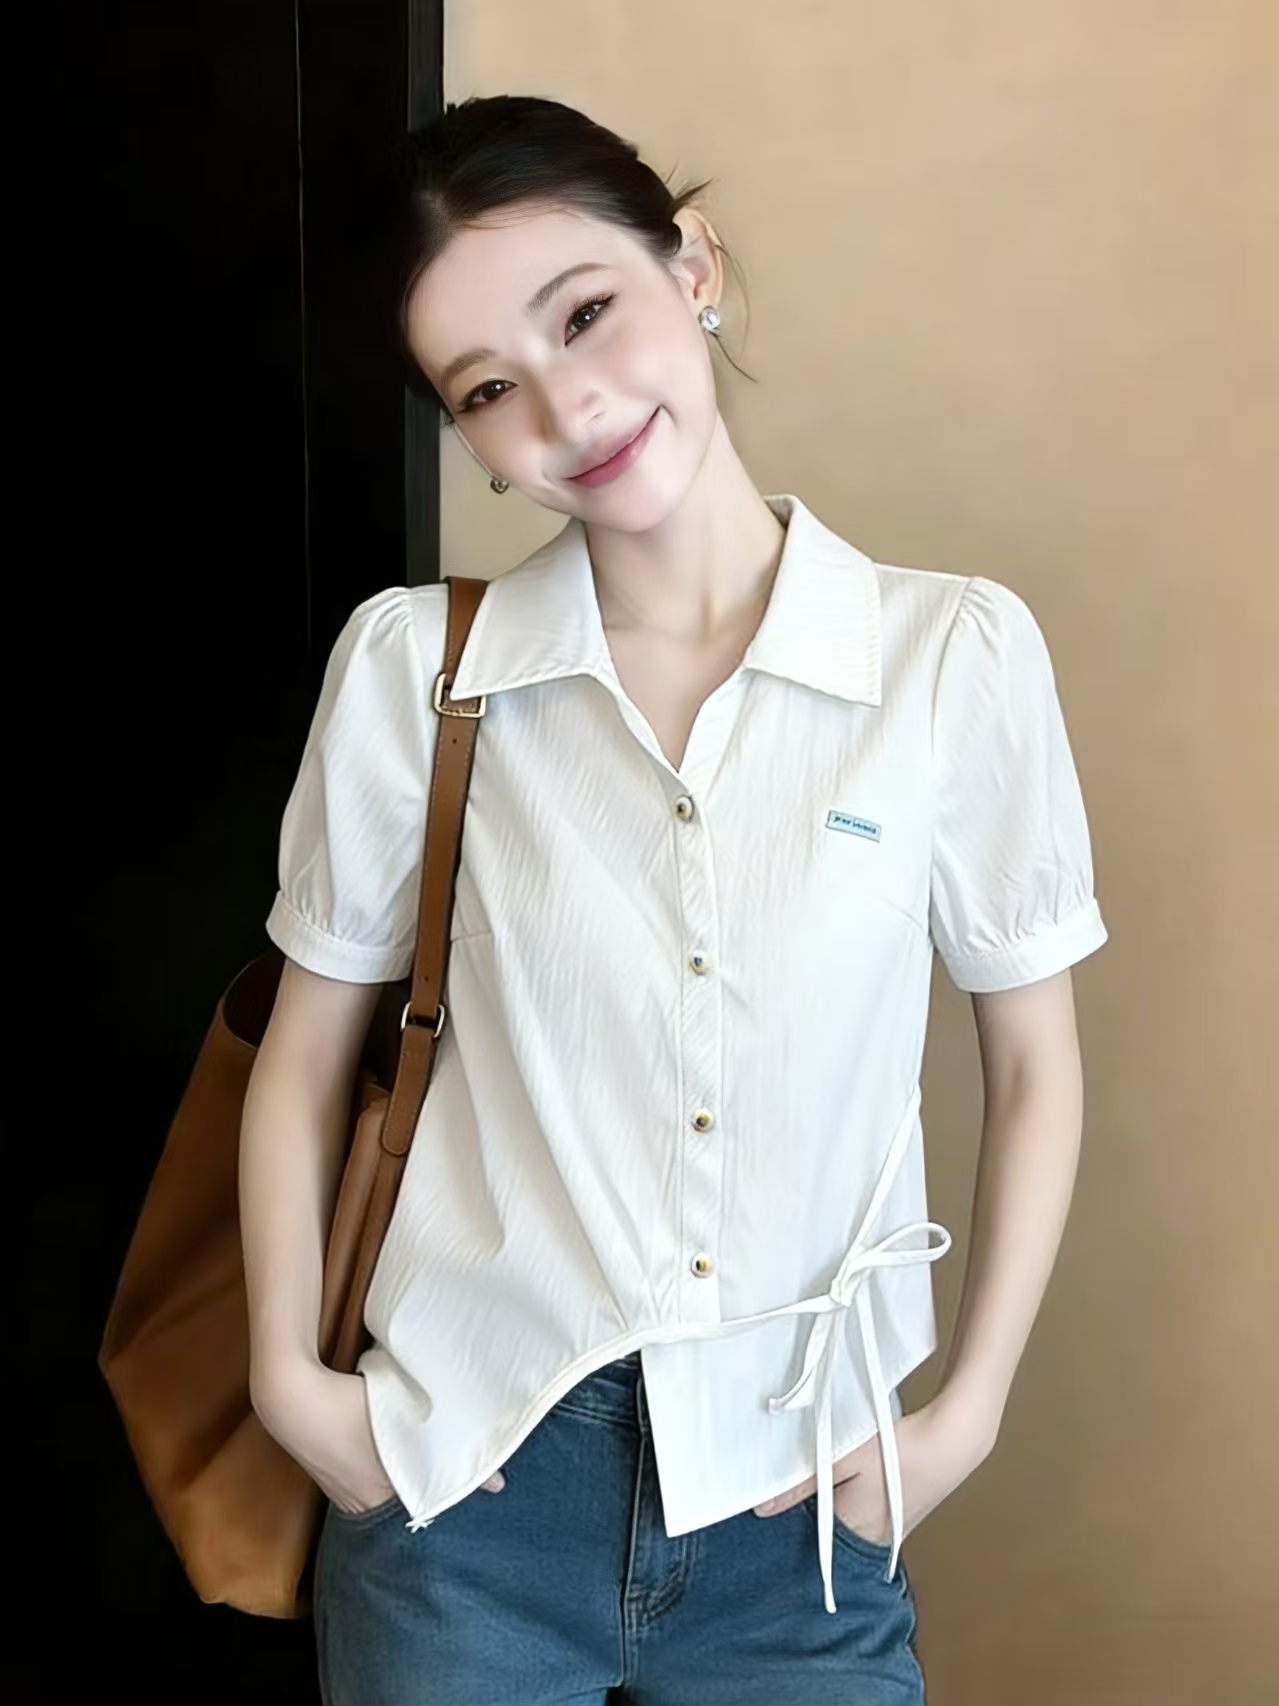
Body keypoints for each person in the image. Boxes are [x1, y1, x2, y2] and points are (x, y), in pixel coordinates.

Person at [240, 93, 1109, 1705]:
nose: (567, 404)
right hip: (465, 1494)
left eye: (586, 313)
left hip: (802, 1516)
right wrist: (291, 1384)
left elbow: (1035, 1063)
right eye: (489, 387)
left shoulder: (951, 658)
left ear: (690, 266)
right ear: (469, 437)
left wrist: (965, 1414)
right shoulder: (415, 670)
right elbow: (300, 1061)